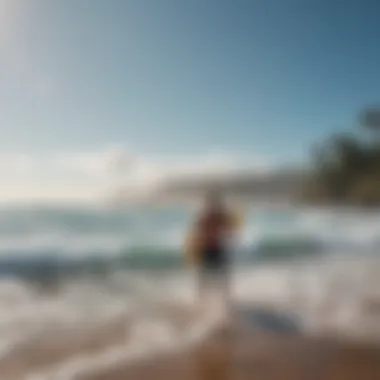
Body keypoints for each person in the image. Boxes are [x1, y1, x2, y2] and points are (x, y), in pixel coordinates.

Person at [184, 191, 241, 316]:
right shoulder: (209, 218)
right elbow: (197, 235)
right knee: (207, 279)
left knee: (220, 279)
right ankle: (203, 303)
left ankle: (222, 305)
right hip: (209, 250)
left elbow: (231, 231)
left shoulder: (216, 217)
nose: (213, 206)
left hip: (215, 250)